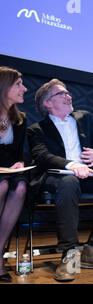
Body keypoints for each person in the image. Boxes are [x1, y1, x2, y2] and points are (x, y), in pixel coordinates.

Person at [27, 79, 93, 282]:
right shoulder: (37, 129)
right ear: (48, 103)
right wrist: (71, 165)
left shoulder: (84, 117)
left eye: (68, 93)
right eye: (62, 94)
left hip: (87, 173)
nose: (69, 96)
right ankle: (70, 254)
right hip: (58, 175)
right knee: (69, 183)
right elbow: (42, 156)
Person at [0, 67, 28, 283]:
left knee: (20, 188)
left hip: (9, 171)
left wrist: (20, 163)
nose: (24, 89)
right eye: (18, 84)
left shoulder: (20, 119)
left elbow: (18, 153)